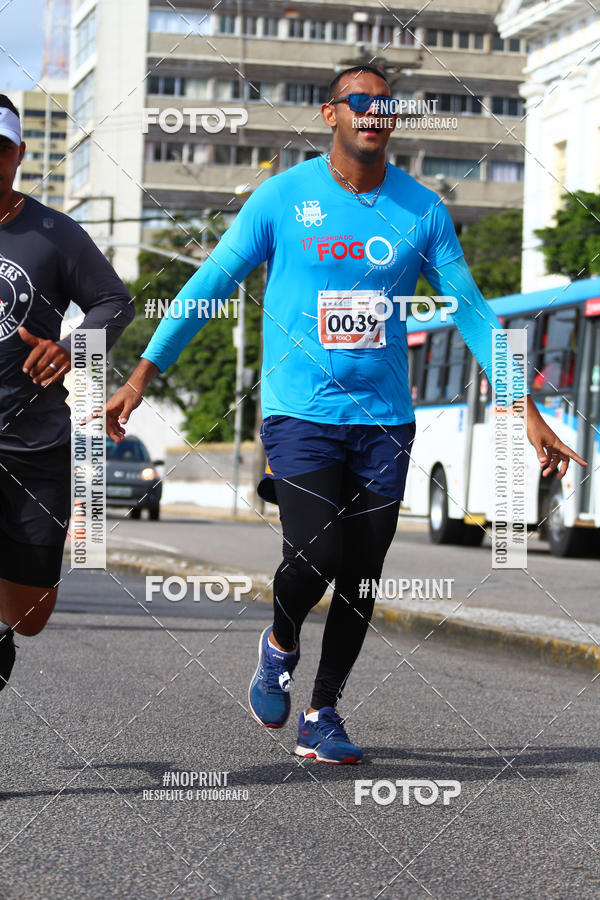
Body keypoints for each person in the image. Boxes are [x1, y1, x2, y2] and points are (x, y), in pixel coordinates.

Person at [105, 66, 585, 764]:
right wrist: (145, 372)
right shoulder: (282, 199)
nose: (373, 111)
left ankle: (323, 712)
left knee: (361, 574)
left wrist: (524, 405)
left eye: (384, 102)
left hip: (385, 420)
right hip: (300, 413)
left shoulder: (421, 210)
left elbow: (475, 314)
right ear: (331, 113)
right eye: (358, 101)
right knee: (315, 555)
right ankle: (278, 644)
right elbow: (211, 285)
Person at [0, 94, 134, 690]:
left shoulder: (54, 233)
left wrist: (73, 348)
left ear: (20, 155)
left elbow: (115, 301)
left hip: (36, 444)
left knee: (30, 615)